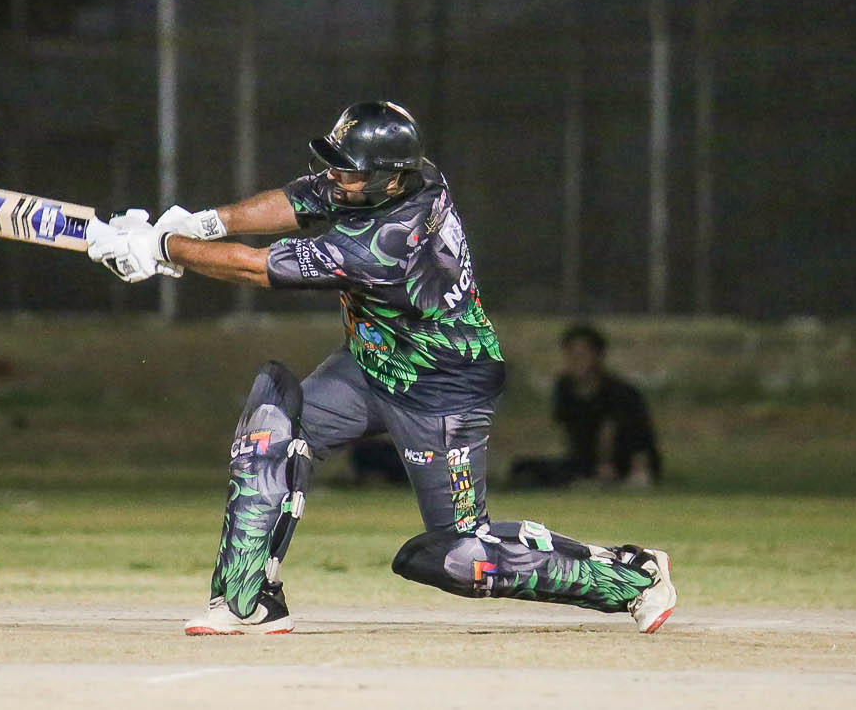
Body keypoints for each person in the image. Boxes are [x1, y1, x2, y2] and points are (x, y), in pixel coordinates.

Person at [84, 102, 676, 635]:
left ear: (389, 179)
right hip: (370, 367)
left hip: (442, 390)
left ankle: (631, 574)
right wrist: (199, 224)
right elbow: (297, 200)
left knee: (459, 556)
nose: (335, 179)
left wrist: (162, 250)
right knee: (271, 423)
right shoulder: (406, 174)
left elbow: (254, 268)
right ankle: (247, 600)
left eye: (349, 171)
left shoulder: (384, 242)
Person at [511, 325, 663, 488]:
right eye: (571, 355)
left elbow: (627, 435)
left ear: (598, 356)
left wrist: (607, 463)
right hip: (584, 461)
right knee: (523, 468)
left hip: (620, 460)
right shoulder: (564, 388)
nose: (576, 361)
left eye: (582, 355)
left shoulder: (620, 392)